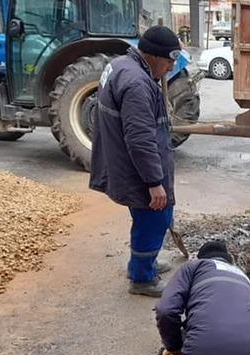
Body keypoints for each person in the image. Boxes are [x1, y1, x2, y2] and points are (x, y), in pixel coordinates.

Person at [89, 26, 182, 297]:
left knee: (145, 218)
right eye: (169, 60)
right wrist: (154, 182)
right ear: (152, 55)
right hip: (138, 169)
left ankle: (145, 262)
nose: (171, 66)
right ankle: (142, 278)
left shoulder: (120, 65)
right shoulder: (137, 83)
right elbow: (140, 139)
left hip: (124, 162)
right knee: (155, 217)